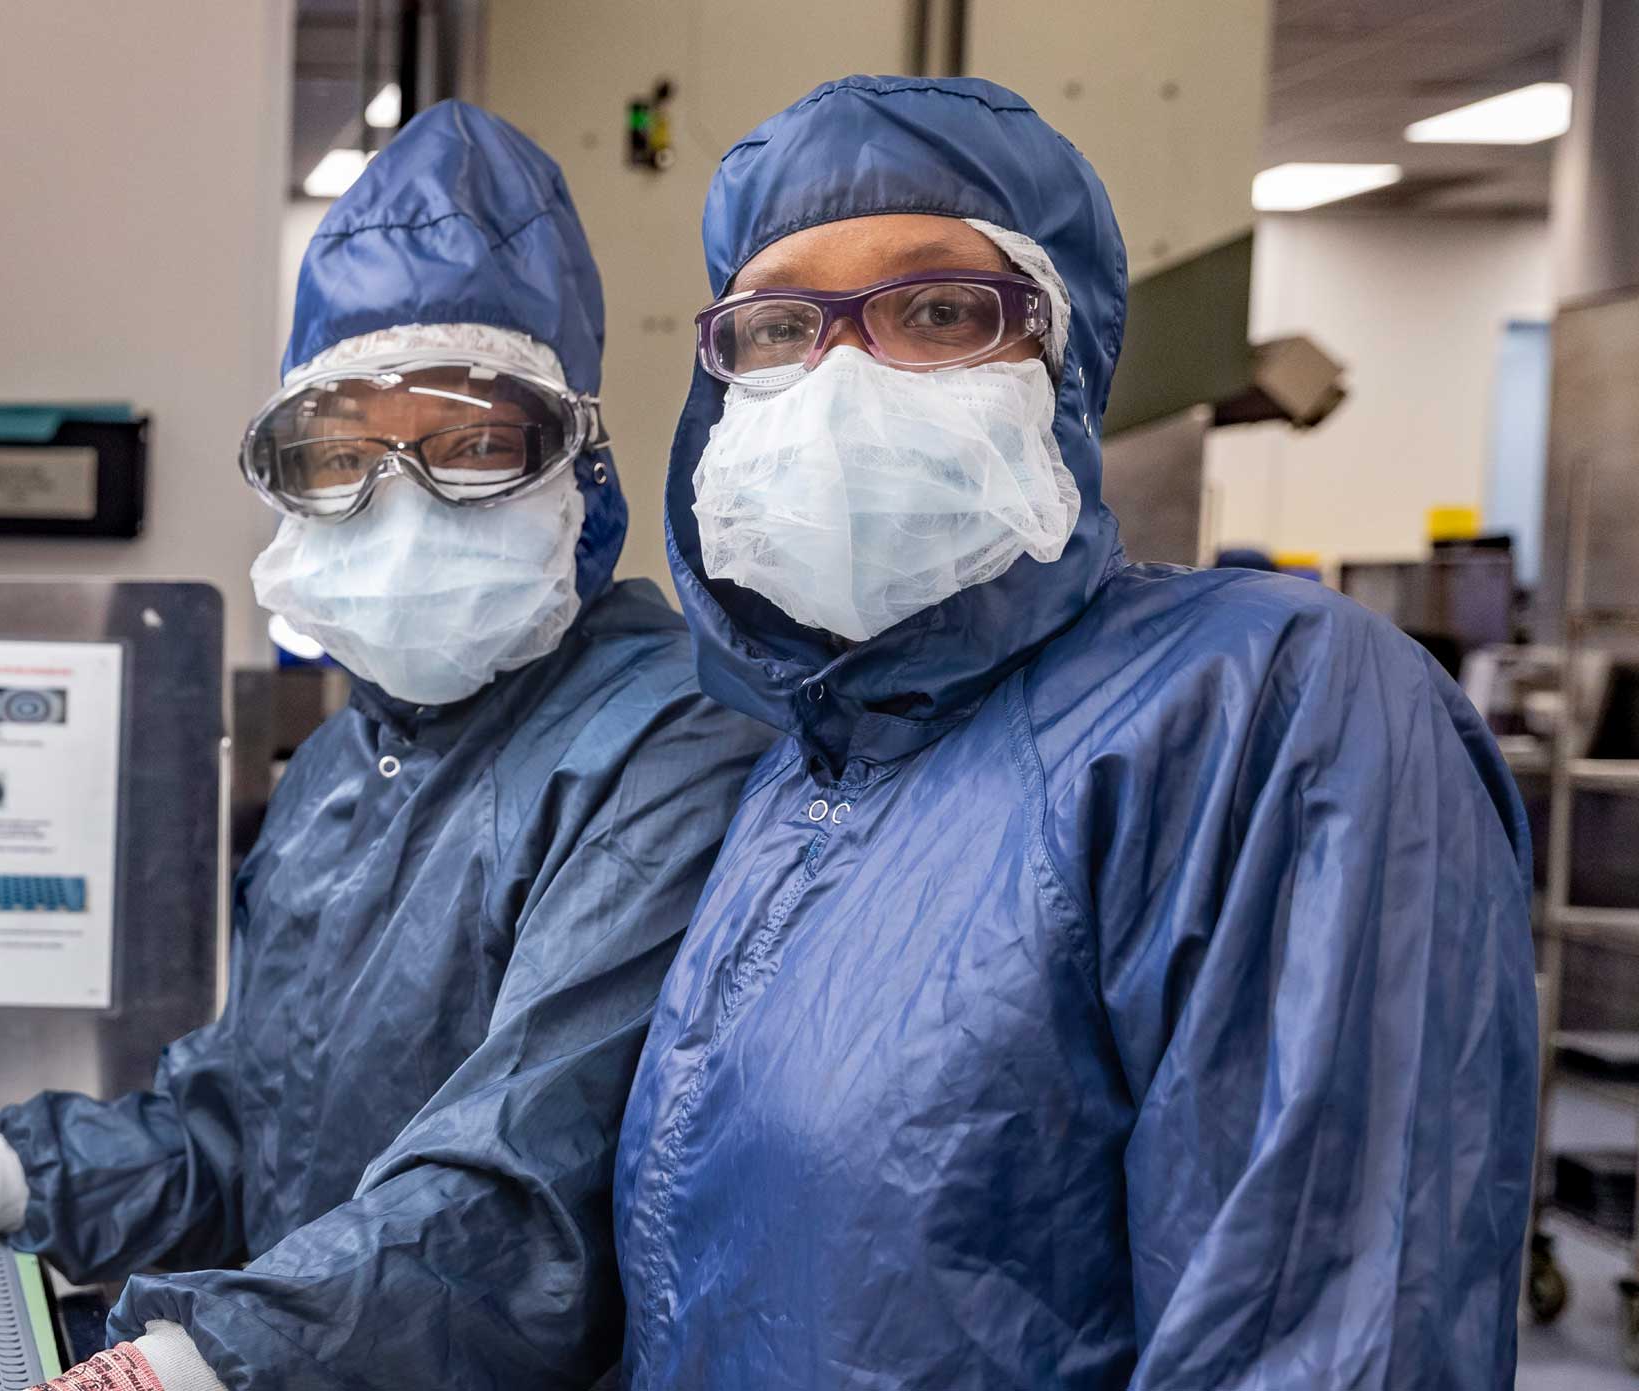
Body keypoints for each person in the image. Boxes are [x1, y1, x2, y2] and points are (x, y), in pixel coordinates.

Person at [0, 102, 771, 1391]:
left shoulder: (667, 747)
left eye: (475, 447)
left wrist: (194, 1363)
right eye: (343, 457)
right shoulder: (335, 772)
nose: (404, 509)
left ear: (576, 468)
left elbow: (518, 1203)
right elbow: (233, 1133)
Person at [611, 75, 1537, 1387]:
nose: (844, 381)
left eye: (939, 311)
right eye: (778, 327)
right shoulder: (808, 771)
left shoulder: (1270, 712)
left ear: (1067, 357)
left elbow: (1333, 1331)